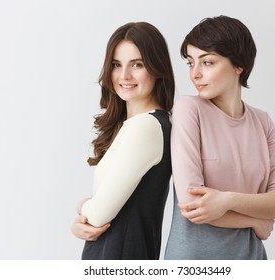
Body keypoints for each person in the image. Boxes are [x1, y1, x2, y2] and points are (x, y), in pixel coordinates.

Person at [164, 15, 275, 260]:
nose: (195, 74)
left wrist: (226, 200)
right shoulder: (189, 110)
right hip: (195, 261)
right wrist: (255, 221)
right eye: (191, 63)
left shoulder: (262, 122)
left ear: (238, 65)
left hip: (251, 257)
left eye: (207, 62)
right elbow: (192, 205)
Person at [71, 22, 175, 260]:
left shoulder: (146, 126)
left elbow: (98, 214)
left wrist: (82, 206)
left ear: (157, 68)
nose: (124, 75)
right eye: (116, 65)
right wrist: (82, 223)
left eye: (137, 64)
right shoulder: (134, 126)